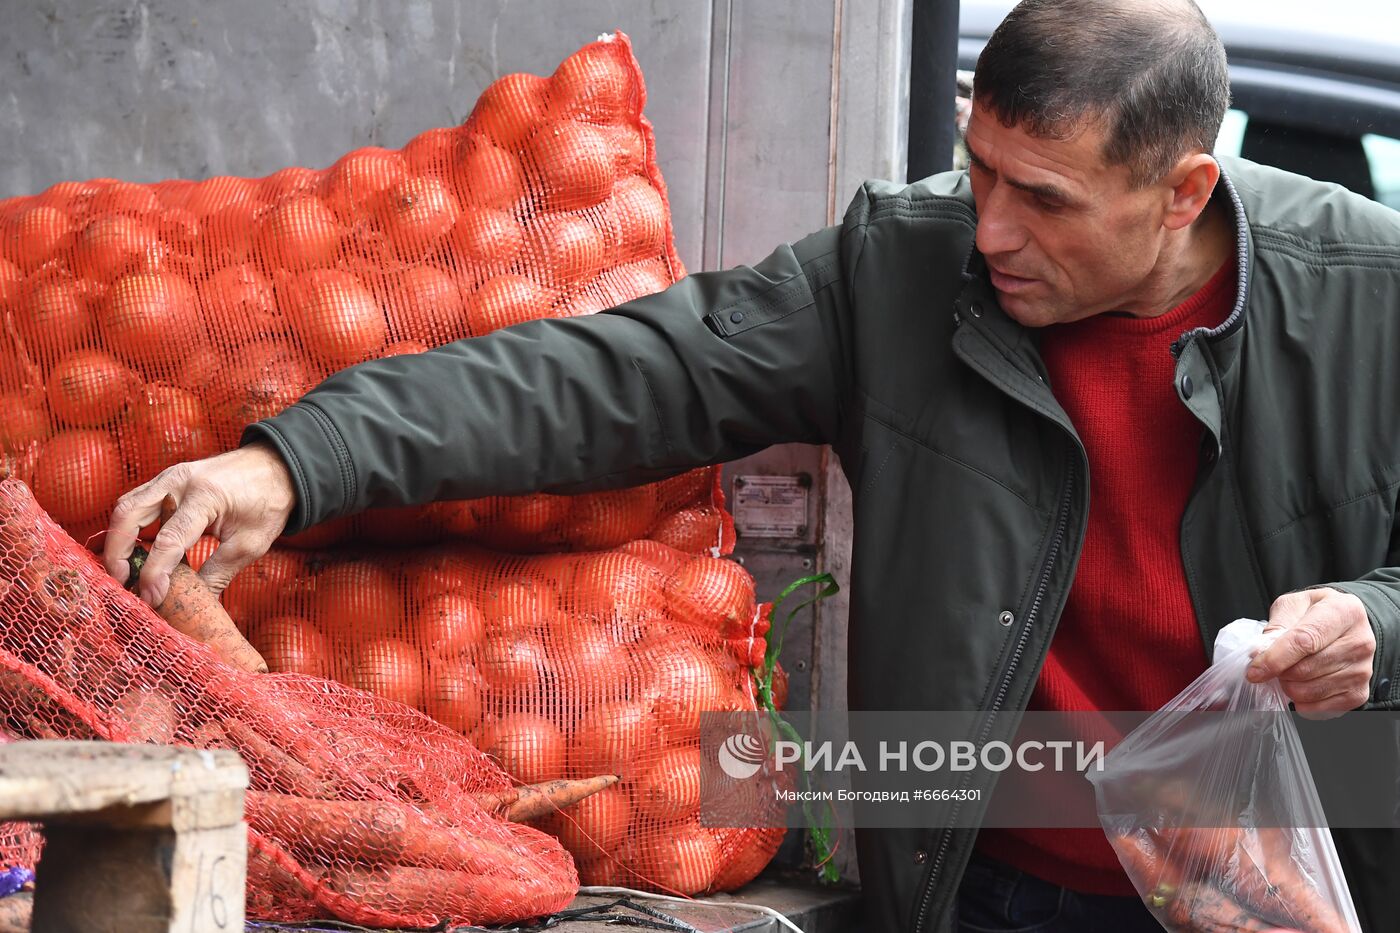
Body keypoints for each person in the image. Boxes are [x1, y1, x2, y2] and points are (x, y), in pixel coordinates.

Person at [102, 0, 1400, 929]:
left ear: (1181, 192)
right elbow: (623, 372)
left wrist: (1375, 626)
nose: (991, 228)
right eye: (980, 168)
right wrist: (300, 457)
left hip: (1271, 893)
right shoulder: (903, 268)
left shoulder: (1369, 300)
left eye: (1046, 199)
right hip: (983, 886)